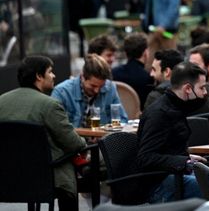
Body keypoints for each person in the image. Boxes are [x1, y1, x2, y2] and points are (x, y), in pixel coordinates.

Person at [0, 56, 87, 211]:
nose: (54, 76)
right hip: (43, 176)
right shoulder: (49, 105)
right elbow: (73, 143)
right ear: (39, 76)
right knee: (71, 162)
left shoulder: (1, 102)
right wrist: (84, 143)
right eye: (50, 72)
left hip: (7, 176)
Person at [136, 62, 209, 202]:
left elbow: (167, 150)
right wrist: (183, 160)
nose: (205, 93)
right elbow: (145, 158)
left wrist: (186, 158)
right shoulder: (160, 113)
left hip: (177, 175)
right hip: (160, 184)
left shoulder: (176, 106)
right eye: (202, 88)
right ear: (188, 88)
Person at [52, 54, 128, 127]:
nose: (97, 91)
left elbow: (122, 119)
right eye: (93, 86)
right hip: (73, 139)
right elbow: (56, 126)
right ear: (82, 77)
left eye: (101, 86)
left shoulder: (110, 87)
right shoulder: (62, 92)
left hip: (103, 138)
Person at [112, 33, 154, 108]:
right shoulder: (148, 78)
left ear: (126, 53)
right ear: (145, 53)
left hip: (116, 117)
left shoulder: (113, 73)